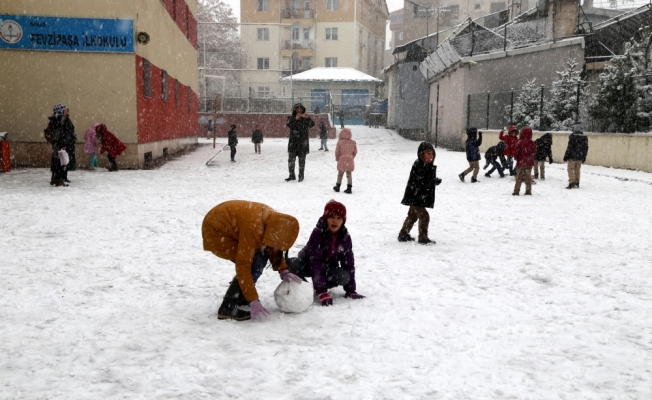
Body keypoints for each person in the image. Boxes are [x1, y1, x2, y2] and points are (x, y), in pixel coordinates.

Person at [201, 200, 301, 321]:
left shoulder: (274, 222)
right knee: (254, 264)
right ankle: (228, 307)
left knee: (259, 257)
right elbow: (243, 265)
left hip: (227, 224)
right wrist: (253, 299)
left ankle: (242, 295)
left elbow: (272, 244)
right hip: (216, 232)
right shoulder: (254, 229)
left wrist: (282, 269)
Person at [286, 200, 364, 307]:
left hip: (328, 268)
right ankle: (306, 288)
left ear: (343, 221)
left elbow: (348, 264)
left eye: (339, 218)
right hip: (308, 265)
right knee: (291, 264)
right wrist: (321, 291)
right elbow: (316, 262)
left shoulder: (345, 238)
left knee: (343, 276)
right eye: (332, 217)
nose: (335, 221)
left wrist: (351, 290)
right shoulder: (318, 233)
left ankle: (320, 285)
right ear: (326, 218)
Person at [398, 142, 442, 244]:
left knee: (412, 216)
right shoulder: (419, 165)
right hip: (415, 196)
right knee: (424, 216)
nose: (430, 156)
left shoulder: (427, 165)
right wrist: (432, 181)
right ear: (421, 155)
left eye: (432, 154)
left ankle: (403, 234)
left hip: (418, 197)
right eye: (428, 154)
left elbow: (425, 180)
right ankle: (423, 238)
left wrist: (433, 181)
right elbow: (420, 181)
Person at [285, 103, 314, 182]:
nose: (299, 110)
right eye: (298, 108)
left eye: (301, 109)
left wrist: (308, 118)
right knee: (291, 161)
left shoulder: (305, 118)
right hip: (293, 143)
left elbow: (312, 124)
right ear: (295, 110)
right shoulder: (291, 117)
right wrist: (295, 119)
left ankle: (301, 176)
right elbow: (288, 125)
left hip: (303, 143)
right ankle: (291, 175)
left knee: (302, 161)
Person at [563, 123, 589, 189]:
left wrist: (566, 156)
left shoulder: (572, 137)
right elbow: (586, 148)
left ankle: (572, 182)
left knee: (571, 169)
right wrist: (584, 156)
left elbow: (569, 148)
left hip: (572, 156)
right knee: (577, 170)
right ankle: (577, 182)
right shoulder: (584, 138)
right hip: (580, 156)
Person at [46, 104, 67, 186]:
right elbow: (60, 134)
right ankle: (58, 179)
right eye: (64, 109)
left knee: (55, 160)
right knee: (59, 161)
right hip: (58, 143)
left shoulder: (53, 119)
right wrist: (63, 144)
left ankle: (54, 178)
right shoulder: (60, 119)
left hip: (55, 143)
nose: (65, 111)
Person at [512, 127, 537, 196]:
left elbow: (516, 153)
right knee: (528, 178)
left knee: (519, 178)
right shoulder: (532, 142)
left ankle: (516, 191)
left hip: (521, 162)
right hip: (529, 163)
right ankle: (528, 191)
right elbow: (534, 151)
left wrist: (516, 158)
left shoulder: (519, 142)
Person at [333, 128, 357, 194]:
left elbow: (337, 152)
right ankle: (349, 188)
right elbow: (355, 152)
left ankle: (338, 186)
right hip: (350, 159)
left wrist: (337, 158)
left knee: (340, 174)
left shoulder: (340, 142)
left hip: (342, 159)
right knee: (349, 174)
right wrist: (351, 157)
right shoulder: (353, 142)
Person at [60, 106, 77, 172]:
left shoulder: (67, 119)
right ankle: (63, 175)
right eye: (66, 111)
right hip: (66, 142)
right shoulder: (63, 120)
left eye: (67, 111)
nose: (67, 112)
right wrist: (64, 143)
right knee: (65, 159)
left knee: (68, 158)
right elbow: (64, 132)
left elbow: (70, 130)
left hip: (69, 142)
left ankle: (65, 175)